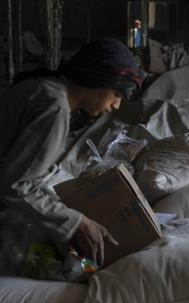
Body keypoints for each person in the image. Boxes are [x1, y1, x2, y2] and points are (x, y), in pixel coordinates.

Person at [0, 38, 145, 268]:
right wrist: (77, 222)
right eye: (117, 93)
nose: (116, 105)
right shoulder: (54, 106)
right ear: (98, 81)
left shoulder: (46, 88)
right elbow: (16, 186)